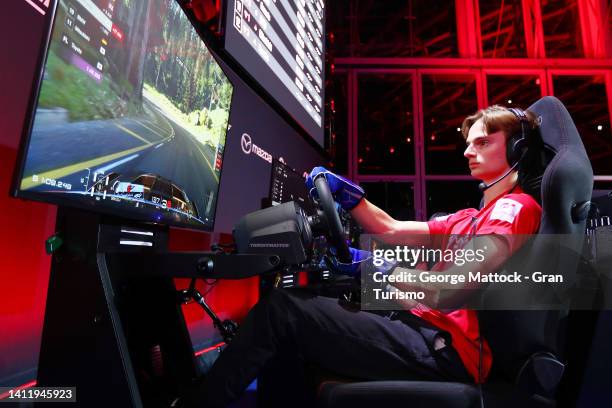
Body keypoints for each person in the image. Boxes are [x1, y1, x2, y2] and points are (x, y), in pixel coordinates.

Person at [181, 106, 543, 407]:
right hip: (425, 326)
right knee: (304, 302)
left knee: (284, 310)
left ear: (517, 151)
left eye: (483, 142)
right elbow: (390, 228)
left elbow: (449, 288)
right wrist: (350, 196)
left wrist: (378, 269)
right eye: (468, 143)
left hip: (449, 350)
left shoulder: (513, 210)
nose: (468, 152)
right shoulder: (470, 217)